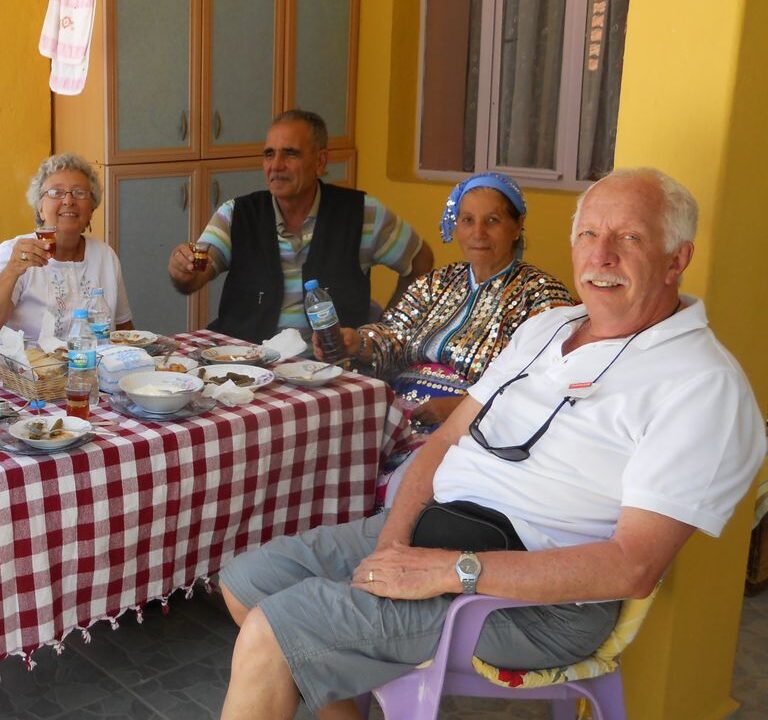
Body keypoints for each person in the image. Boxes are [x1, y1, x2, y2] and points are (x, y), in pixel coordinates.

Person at [215, 168, 767, 720]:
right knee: (246, 584)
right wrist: (394, 539)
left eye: (629, 238)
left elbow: (632, 567)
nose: (601, 257)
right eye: (589, 235)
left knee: (273, 633)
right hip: (443, 529)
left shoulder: (702, 386)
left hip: (538, 602)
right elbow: (446, 439)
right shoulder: (547, 327)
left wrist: (451, 570)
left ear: (677, 259)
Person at [328, 172, 573, 429]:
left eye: (492, 220)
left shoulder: (541, 294)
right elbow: (395, 334)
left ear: (517, 226)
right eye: (467, 220)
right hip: (398, 414)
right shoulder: (438, 281)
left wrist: (460, 407)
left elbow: (542, 380)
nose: (478, 233)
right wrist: (359, 343)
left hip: (473, 428)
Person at [167, 109, 433, 344]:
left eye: (290, 154)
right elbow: (195, 275)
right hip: (248, 367)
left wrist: (383, 334)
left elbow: (420, 262)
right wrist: (183, 270)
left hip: (331, 369)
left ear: (320, 162)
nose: (276, 166)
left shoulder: (362, 214)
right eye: (269, 154)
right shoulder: (236, 214)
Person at [0, 152, 133, 340]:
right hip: (29, 368)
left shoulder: (105, 256)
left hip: (94, 367)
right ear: (40, 208)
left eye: (79, 193)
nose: (68, 201)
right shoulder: (14, 252)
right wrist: (12, 271)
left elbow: (124, 330)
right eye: (56, 193)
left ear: (92, 209)